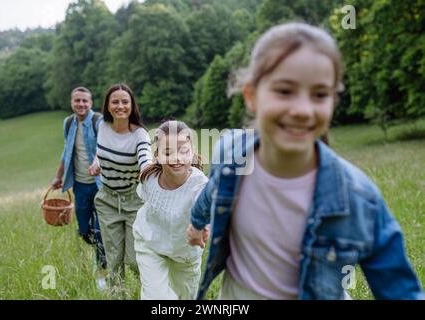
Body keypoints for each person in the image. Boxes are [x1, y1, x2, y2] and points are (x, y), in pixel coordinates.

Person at [187, 22, 424, 300]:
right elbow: (212, 191)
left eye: (320, 95)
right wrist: (196, 222)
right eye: (285, 91)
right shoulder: (230, 153)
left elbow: (401, 290)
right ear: (251, 96)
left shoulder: (357, 197)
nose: (302, 110)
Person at [132, 120, 209, 300]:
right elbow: (143, 157)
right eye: (168, 152)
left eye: (184, 151)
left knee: (186, 297)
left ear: (192, 153)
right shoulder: (149, 178)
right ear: (157, 155)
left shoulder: (199, 184)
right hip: (150, 242)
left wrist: (203, 229)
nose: (177, 158)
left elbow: (206, 208)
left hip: (185, 253)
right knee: (156, 297)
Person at [89, 83, 151, 291]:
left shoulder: (139, 135)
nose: (120, 106)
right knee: (114, 261)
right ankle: (118, 295)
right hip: (107, 200)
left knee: (134, 260)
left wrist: (147, 171)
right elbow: (102, 150)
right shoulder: (102, 126)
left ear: (132, 106)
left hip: (133, 202)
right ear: (107, 105)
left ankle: (152, 294)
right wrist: (97, 162)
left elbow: (145, 159)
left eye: (125, 102)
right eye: (115, 102)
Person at [51, 86, 107, 289]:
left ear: (91, 103)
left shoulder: (98, 121)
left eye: (85, 100)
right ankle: (100, 254)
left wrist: (98, 161)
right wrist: (58, 177)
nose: (81, 104)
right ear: (72, 103)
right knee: (84, 231)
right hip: (80, 186)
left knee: (101, 231)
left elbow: (104, 146)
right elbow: (66, 153)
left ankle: (102, 271)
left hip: (100, 185)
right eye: (77, 101)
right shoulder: (68, 123)